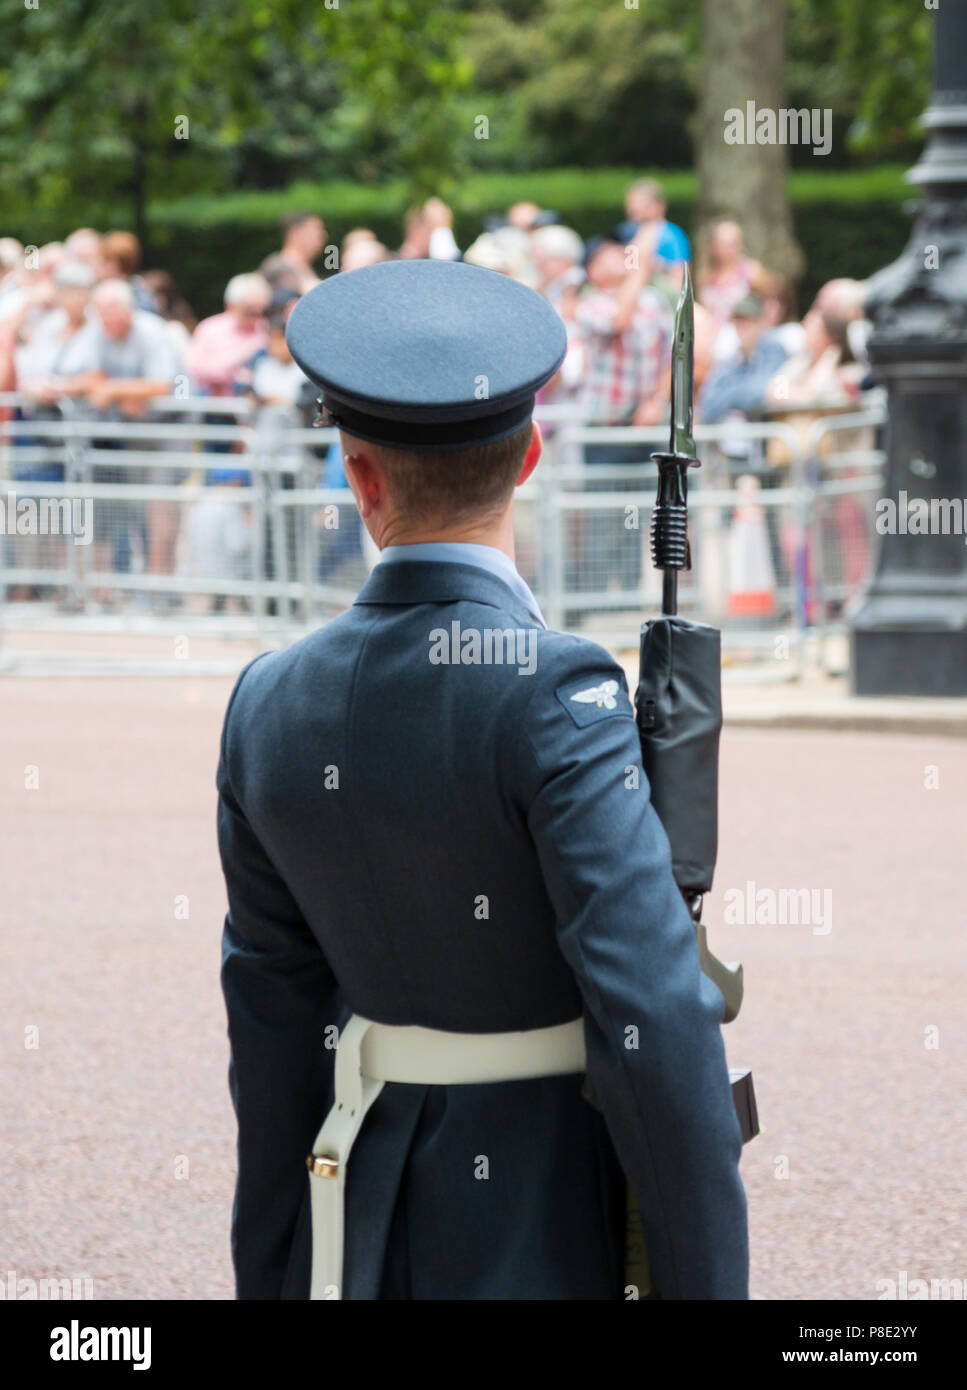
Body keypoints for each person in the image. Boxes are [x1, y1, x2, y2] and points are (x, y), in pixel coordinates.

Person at [217, 257, 747, 1301]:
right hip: (548, 1217)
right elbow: (653, 1014)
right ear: (531, 455)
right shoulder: (556, 689)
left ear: (360, 477)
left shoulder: (265, 700)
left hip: (355, 1216)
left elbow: (271, 1038)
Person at [614, 178, 691, 269]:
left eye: (640, 203)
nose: (632, 209)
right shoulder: (625, 231)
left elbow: (680, 271)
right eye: (630, 204)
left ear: (658, 205)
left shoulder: (671, 235)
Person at [277, 212, 327, 293]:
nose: (323, 236)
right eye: (317, 231)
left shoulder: (300, 266)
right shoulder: (279, 266)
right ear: (295, 232)